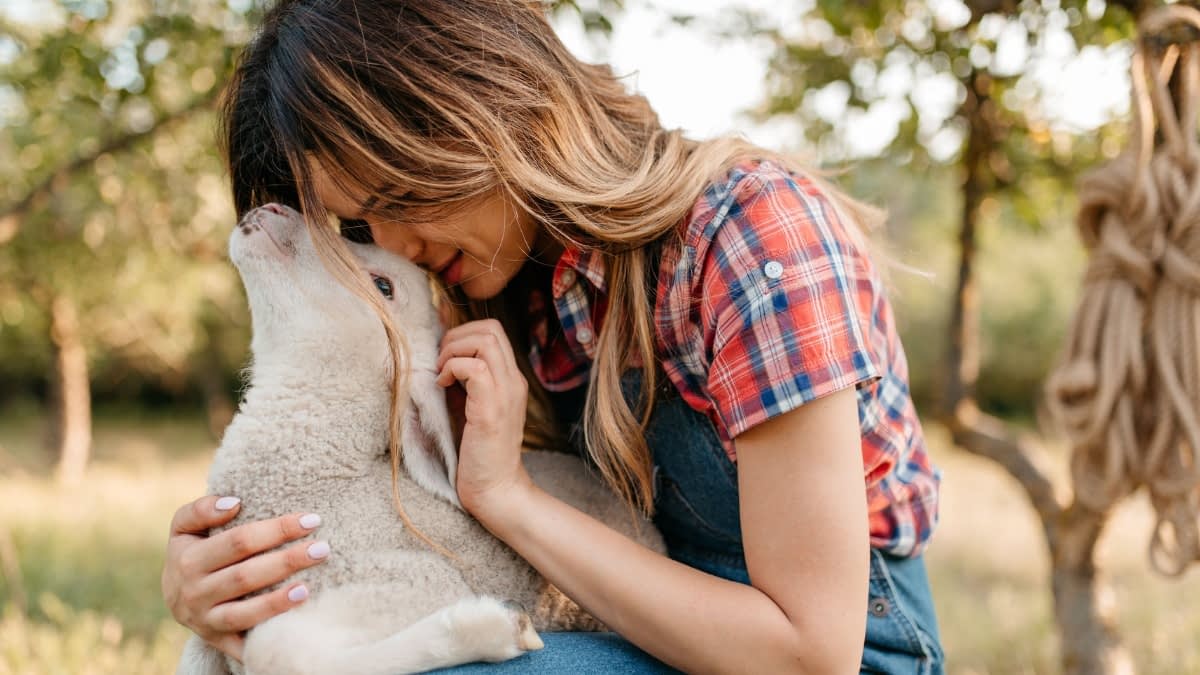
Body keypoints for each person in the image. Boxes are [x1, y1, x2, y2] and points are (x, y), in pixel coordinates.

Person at [161, 1, 944, 672]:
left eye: (399, 194)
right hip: (635, 630)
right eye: (361, 225)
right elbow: (395, 504)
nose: (393, 246)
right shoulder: (507, 285)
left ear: (491, 103)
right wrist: (228, 576)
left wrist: (512, 499)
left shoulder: (750, 236)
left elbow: (811, 654)